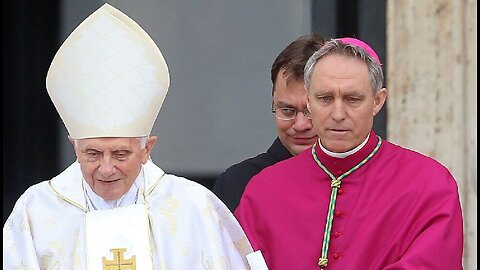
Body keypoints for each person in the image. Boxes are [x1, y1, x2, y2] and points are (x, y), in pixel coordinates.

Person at [2, 4, 265, 269]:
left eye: (120, 154)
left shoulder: (194, 207)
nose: (106, 169)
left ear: (147, 149)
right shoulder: (36, 211)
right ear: (75, 146)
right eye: (92, 154)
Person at [234, 37, 464, 269]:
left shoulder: (429, 184)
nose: (338, 113)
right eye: (324, 98)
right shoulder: (264, 190)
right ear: (310, 102)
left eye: (352, 99)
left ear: (377, 101)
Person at [213, 33, 326, 212]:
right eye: (287, 111)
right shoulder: (238, 184)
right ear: (274, 103)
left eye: (310, 112)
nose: (300, 125)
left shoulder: (367, 180)